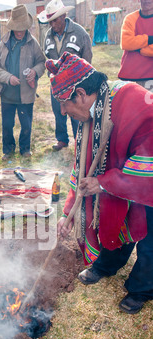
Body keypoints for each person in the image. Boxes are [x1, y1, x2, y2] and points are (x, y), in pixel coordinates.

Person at [46, 52, 153, 315]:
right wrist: (68, 212)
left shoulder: (136, 103)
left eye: (63, 103)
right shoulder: (91, 114)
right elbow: (81, 171)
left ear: (80, 94)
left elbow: (147, 163)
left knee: (151, 239)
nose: (62, 111)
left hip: (148, 183)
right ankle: (107, 264)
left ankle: (142, 287)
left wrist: (103, 183)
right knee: (117, 215)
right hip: (122, 184)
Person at [0, 4, 45, 161]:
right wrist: (8, 77)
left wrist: (35, 71)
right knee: (7, 125)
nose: (20, 32)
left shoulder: (33, 43)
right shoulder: (3, 43)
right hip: (7, 94)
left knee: (26, 125)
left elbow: (42, 62)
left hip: (26, 93)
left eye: (23, 28)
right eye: (17, 28)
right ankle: (8, 150)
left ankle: (25, 148)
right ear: (12, 27)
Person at [38, 0, 92, 151]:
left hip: (75, 85)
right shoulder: (48, 36)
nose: (52, 24)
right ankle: (62, 139)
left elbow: (87, 58)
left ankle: (79, 140)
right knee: (58, 112)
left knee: (76, 113)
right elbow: (47, 57)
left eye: (55, 20)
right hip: (57, 85)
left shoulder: (79, 33)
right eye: (50, 21)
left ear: (63, 16)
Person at [118, 0, 153, 89]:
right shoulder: (130, 18)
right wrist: (149, 39)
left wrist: (142, 49)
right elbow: (125, 42)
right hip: (129, 76)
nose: (147, 1)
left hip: (150, 77)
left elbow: (131, 43)